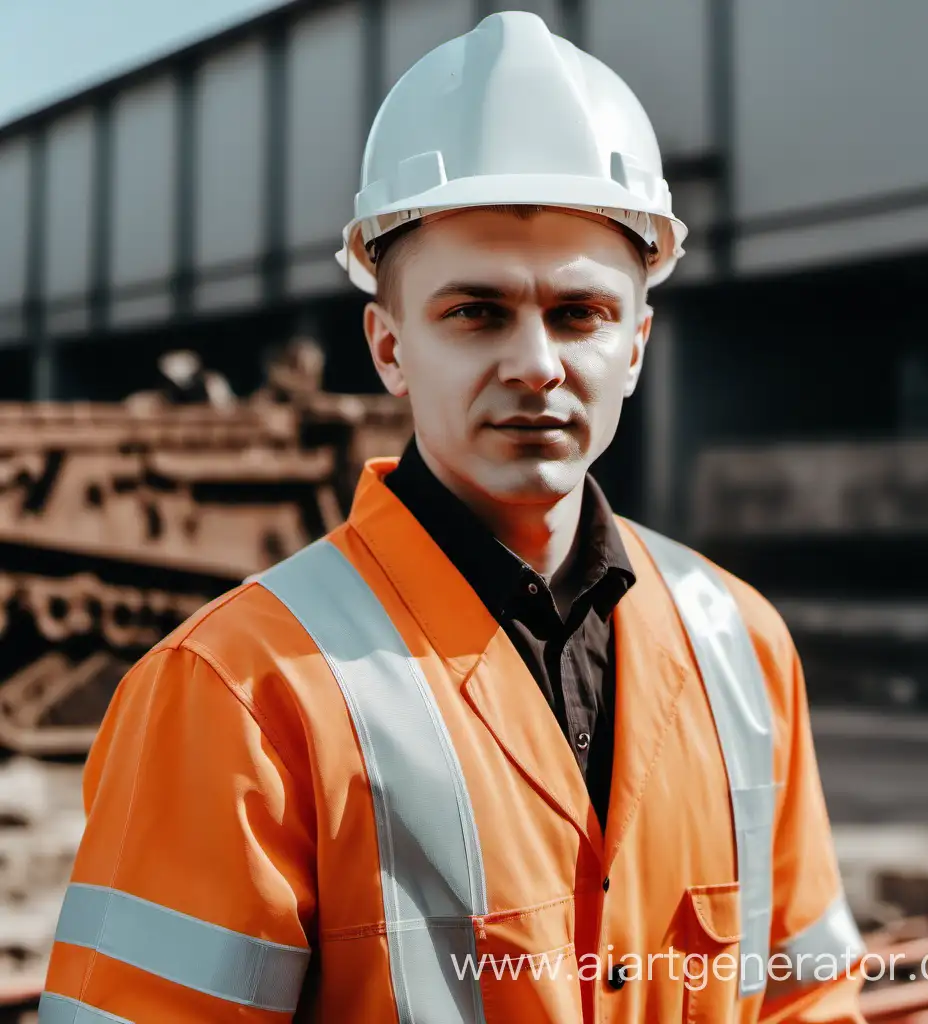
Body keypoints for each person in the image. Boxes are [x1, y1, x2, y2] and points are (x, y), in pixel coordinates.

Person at [40, 11, 867, 1023]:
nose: (534, 364)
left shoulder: (741, 645)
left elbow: (807, 997)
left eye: (578, 314)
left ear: (637, 342)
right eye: (475, 311)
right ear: (388, 346)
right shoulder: (237, 696)